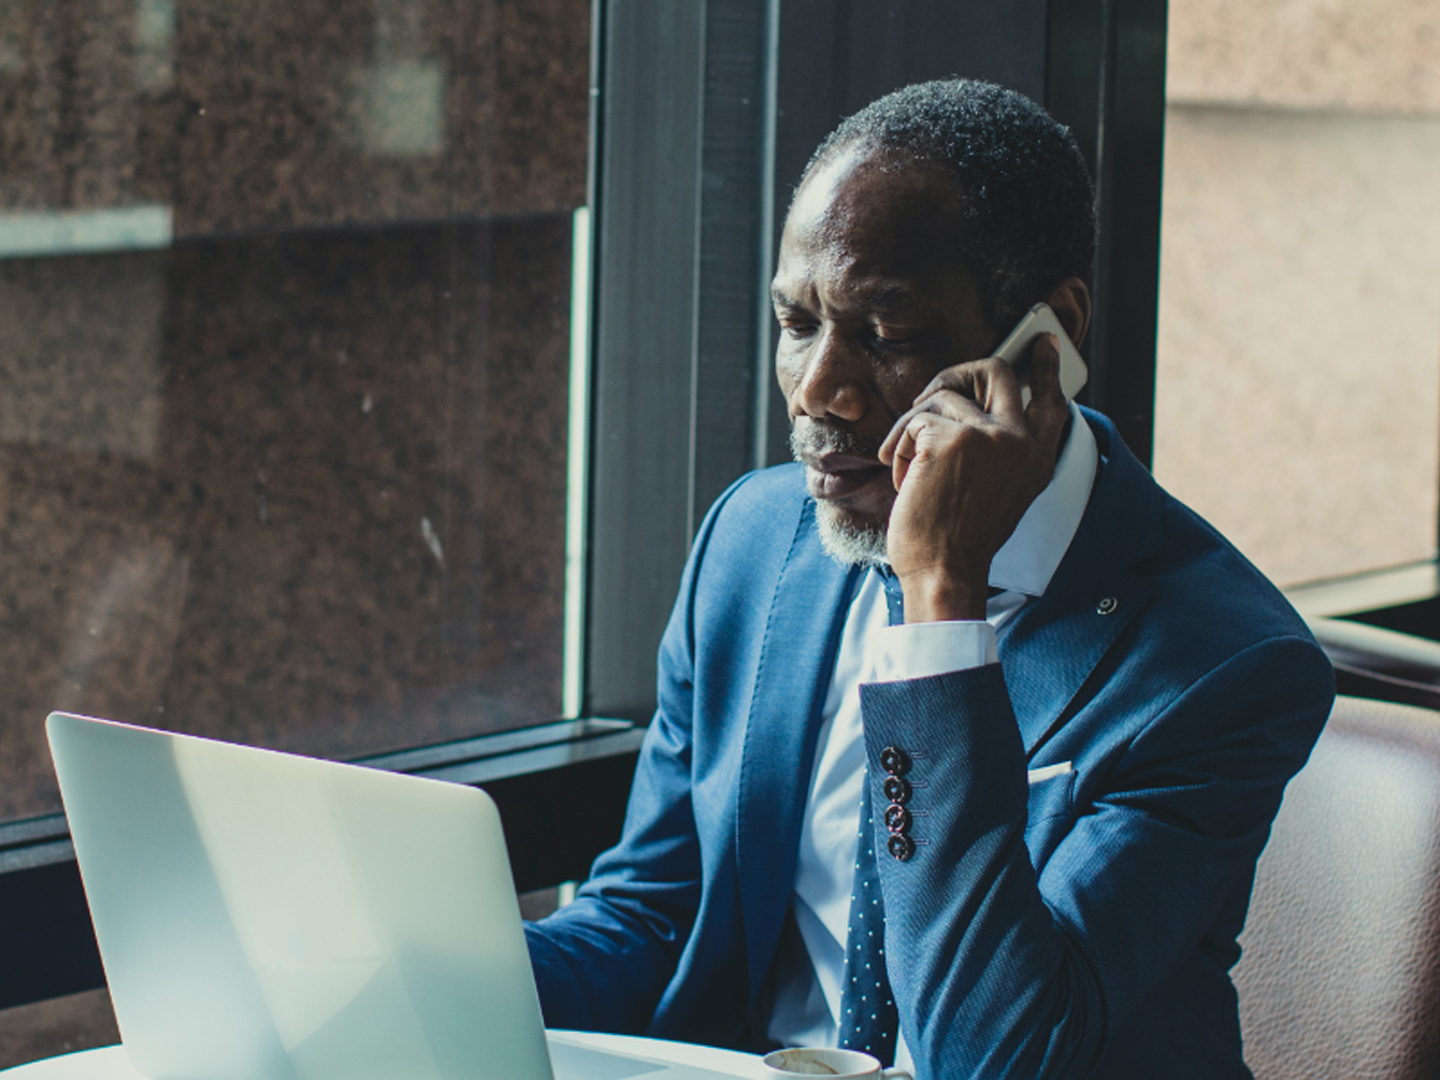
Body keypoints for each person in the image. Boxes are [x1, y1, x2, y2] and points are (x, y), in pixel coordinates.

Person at [525, 79, 1333, 1079]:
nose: (821, 388)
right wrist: (404, 970)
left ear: (1047, 345)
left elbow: (1000, 1053)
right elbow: (651, 920)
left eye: (886, 333)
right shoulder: (753, 542)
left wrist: (938, 601)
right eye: (796, 322)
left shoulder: (1222, 667)